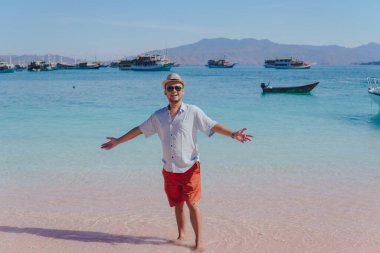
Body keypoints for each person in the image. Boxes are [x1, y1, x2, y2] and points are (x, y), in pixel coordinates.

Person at [101, 73, 253, 252]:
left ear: (183, 91)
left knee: (192, 203)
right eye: (170, 88)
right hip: (169, 169)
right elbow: (139, 130)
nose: (174, 91)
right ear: (165, 92)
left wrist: (233, 134)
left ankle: (199, 242)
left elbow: (212, 126)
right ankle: (181, 236)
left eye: (177, 87)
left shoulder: (193, 111)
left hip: (190, 167)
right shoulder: (158, 116)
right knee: (177, 203)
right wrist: (119, 140)